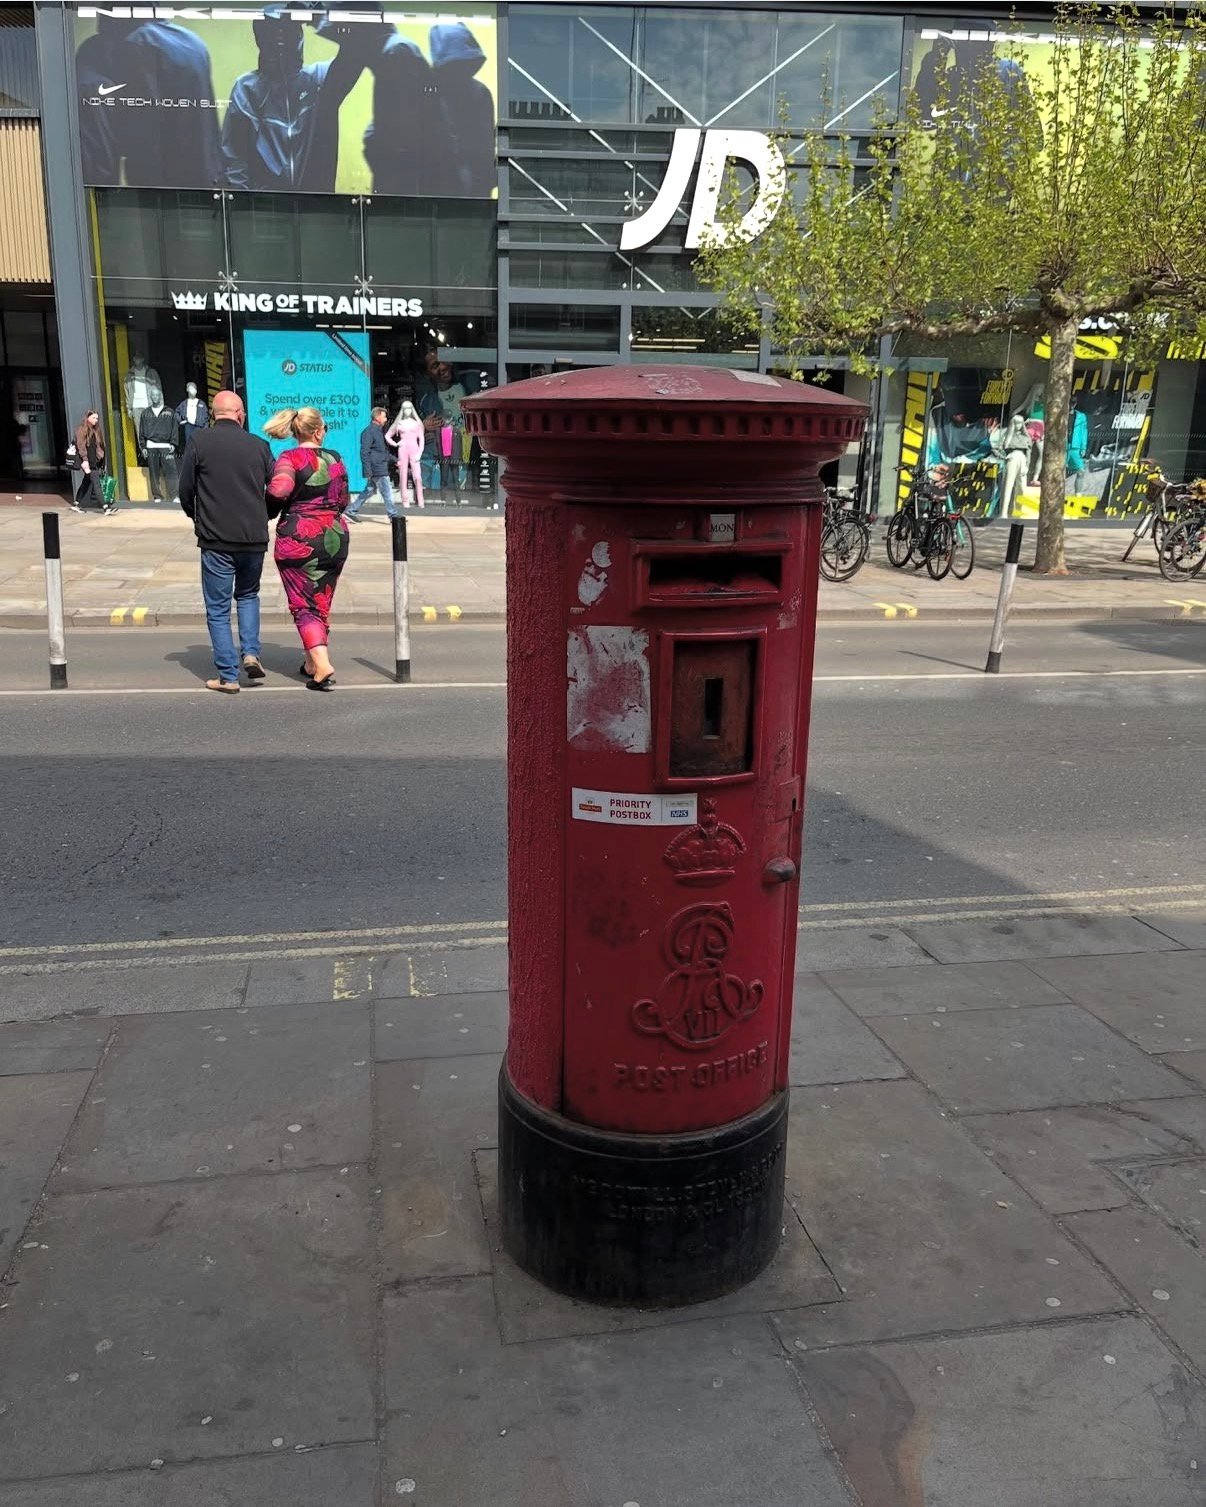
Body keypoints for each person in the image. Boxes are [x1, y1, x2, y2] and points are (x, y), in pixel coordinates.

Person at [178, 390, 274, 695]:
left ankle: (228, 676)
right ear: (241, 414)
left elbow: (185, 489)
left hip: (216, 539)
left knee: (218, 609)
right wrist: (265, 515)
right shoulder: (260, 446)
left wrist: (197, 518)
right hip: (253, 540)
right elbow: (277, 489)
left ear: (212, 416)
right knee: (248, 596)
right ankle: (251, 653)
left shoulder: (199, 442)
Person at [263, 406, 350, 691]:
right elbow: (344, 500)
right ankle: (311, 663)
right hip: (334, 537)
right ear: (317, 431)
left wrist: (270, 511)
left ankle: (322, 666)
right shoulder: (335, 459)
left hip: (299, 538)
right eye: (324, 428)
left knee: (304, 604)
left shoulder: (290, 458)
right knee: (321, 600)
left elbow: (279, 490)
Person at [345, 406, 400, 522]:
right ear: (377, 417)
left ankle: (351, 511)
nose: (386, 419)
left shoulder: (380, 432)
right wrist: (368, 471)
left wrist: (395, 460)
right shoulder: (369, 432)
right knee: (387, 491)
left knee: (369, 490)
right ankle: (393, 515)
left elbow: (382, 452)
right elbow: (364, 452)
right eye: (384, 417)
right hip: (377, 468)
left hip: (380, 466)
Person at [71, 408, 115, 516]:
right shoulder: (82, 429)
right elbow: (81, 446)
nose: (96, 420)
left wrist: (101, 460)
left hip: (94, 460)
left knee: (86, 482)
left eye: (97, 418)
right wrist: (84, 460)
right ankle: (105, 507)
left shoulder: (96, 430)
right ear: (88, 418)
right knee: (96, 484)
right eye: (93, 418)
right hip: (88, 461)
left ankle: (77, 504)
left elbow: (99, 446)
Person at [386, 400, 425, 508]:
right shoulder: (399, 423)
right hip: (403, 449)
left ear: (412, 409)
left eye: (409, 408)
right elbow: (387, 435)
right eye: (405, 408)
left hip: (414, 450)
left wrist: (420, 453)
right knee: (403, 476)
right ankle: (405, 501)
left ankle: (421, 501)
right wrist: (395, 444)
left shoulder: (417, 424)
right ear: (402, 410)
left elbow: (421, 439)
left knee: (417, 477)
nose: (407, 410)